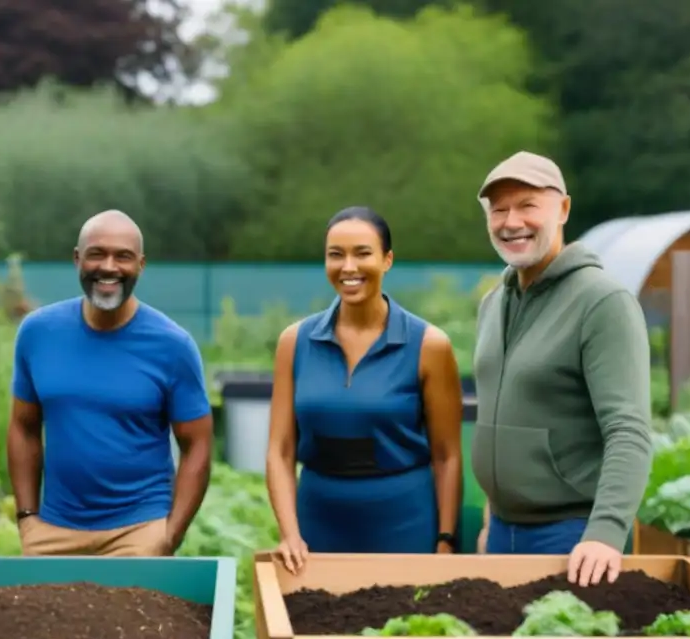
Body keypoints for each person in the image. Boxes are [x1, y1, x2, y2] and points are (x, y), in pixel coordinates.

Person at [471, 151, 652, 586]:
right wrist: (492, 514)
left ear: (563, 209)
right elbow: (502, 417)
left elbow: (629, 430)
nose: (511, 221)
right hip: (501, 533)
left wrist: (606, 533)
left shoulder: (602, 302)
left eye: (527, 205)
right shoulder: (493, 304)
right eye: (499, 209)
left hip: (573, 538)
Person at [266, 206, 463, 574]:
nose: (348, 267)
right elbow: (280, 450)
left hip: (404, 525)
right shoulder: (295, 342)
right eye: (335, 255)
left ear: (387, 260)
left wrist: (446, 540)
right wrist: (290, 534)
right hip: (318, 525)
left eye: (363, 253)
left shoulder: (429, 346)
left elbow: (447, 455)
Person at [7, 209, 213, 557]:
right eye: (97, 254)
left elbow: (199, 445)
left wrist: (168, 535)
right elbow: (22, 427)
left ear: (141, 265)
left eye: (124, 256)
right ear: (77, 259)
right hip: (53, 533)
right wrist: (27, 518)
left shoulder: (172, 345)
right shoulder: (38, 333)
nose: (109, 267)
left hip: (138, 533)